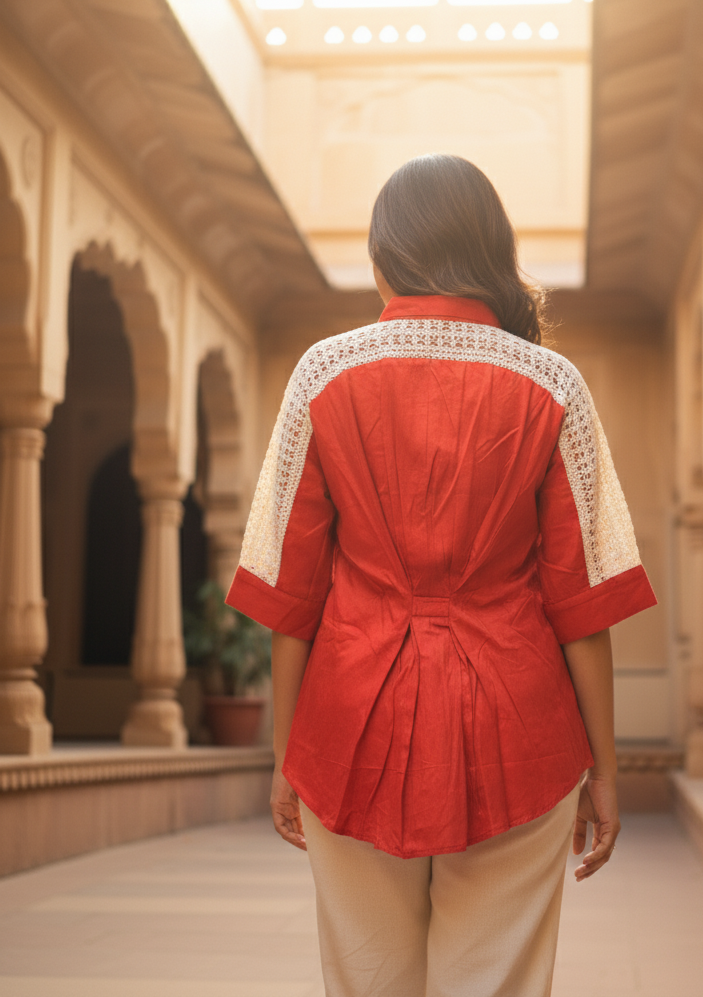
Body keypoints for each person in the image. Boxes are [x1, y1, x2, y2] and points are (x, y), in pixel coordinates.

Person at [226, 154, 657, 997]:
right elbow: (582, 606)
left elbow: (292, 601)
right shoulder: (553, 384)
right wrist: (605, 771)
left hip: (348, 725)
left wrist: (286, 756)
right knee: (496, 980)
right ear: (489, 252)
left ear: (385, 259)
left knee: (367, 978)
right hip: (522, 729)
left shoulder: (322, 373)